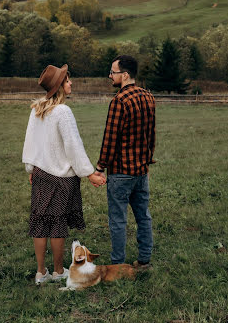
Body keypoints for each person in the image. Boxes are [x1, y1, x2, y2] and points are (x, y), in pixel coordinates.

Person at [22, 64, 105, 285]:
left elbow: (30, 142)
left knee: (40, 222)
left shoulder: (37, 109)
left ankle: (41, 273)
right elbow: (73, 146)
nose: (71, 83)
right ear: (59, 86)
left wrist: (31, 168)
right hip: (61, 178)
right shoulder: (63, 112)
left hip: (40, 174)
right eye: (67, 80)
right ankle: (58, 272)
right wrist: (89, 173)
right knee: (57, 224)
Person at [95, 55, 156, 267]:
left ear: (125, 75)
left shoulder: (119, 101)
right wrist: (147, 162)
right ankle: (145, 260)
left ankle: (118, 265)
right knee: (143, 217)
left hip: (121, 172)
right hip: (141, 171)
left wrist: (100, 167)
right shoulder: (148, 97)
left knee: (118, 220)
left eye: (113, 72)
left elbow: (110, 139)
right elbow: (151, 135)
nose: (110, 76)